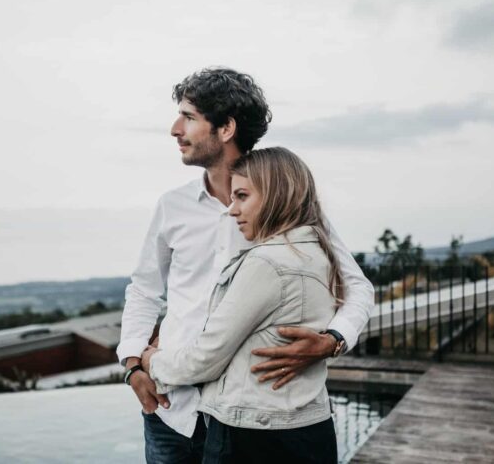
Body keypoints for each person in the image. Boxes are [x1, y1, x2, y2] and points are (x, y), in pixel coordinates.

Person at [117, 67, 374, 463]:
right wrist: (134, 365)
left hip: (248, 423)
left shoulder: (287, 207)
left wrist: (334, 339)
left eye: (188, 116)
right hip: (171, 410)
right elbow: (144, 290)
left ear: (225, 128)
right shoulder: (172, 206)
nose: (174, 128)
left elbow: (356, 286)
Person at [141, 147, 342, 463]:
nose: (232, 210)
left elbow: (206, 358)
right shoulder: (319, 252)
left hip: (253, 437)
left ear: (277, 195)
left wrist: (151, 361)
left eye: (242, 197)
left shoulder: (266, 263)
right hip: (311, 428)